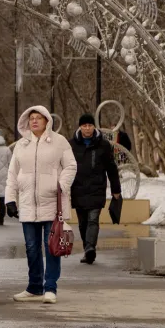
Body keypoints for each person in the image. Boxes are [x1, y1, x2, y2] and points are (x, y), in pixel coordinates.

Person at [4, 105, 77, 305]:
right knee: (31, 248)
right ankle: (34, 287)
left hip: (52, 203)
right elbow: (12, 174)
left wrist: (61, 185)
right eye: (31, 118)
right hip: (27, 204)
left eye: (39, 118)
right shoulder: (21, 145)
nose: (34, 121)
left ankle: (50, 288)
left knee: (52, 246)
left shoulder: (59, 142)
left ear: (47, 121)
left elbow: (71, 166)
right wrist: (10, 199)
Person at [69, 113, 122, 265]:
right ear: (80, 127)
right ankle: (88, 249)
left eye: (90, 125)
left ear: (94, 127)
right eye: (84, 125)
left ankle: (90, 248)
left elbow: (111, 168)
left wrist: (116, 190)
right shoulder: (71, 144)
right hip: (78, 188)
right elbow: (65, 167)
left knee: (93, 219)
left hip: (97, 187)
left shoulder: (103, 145)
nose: (87, 128)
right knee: (82, 222)